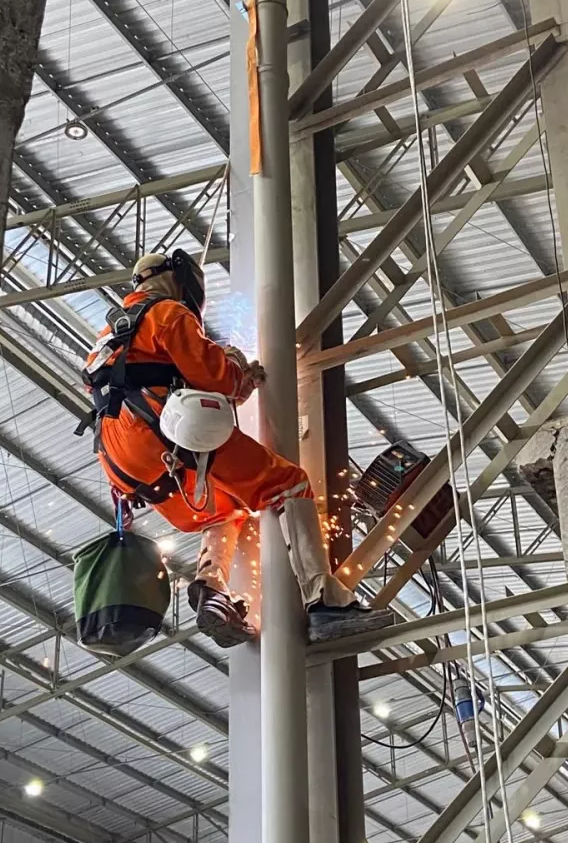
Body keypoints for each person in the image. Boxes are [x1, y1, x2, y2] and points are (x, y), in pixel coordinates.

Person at [82, 248, 393, 648]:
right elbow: (218, 378)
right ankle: (324, 603)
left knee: (226, 508)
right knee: (289, 483)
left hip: (127, 468)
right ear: (181, 279)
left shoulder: (108, 332)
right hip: (159, 433)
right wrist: (237, 366)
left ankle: (211, 590)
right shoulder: (168, 314)